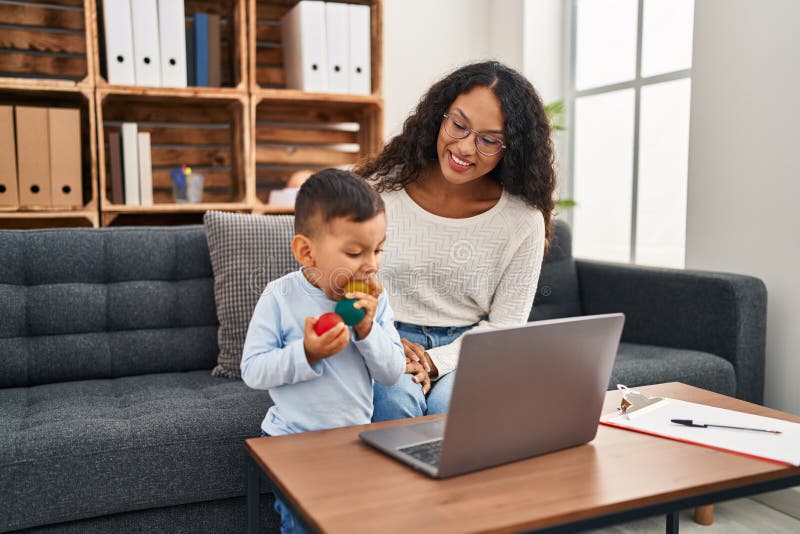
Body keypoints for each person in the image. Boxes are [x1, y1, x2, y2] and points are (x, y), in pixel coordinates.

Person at [354, 61, 556, 421]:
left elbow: (504, 326)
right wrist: (377, 336)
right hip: (382, 335)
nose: (465, 148)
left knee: (451, 410)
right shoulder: (378, 191)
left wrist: (434, 360)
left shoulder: (523, 220)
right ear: (440, 117)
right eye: (458, 125)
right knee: (396, 401)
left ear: (512, 148)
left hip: (470, 348)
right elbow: (342, 278)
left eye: (489, 140)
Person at [240, 168, 405, 533]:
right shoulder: (280, 297)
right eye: (354, 252)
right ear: (306, 251)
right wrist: (307, 354)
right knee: (303, 525)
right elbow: (252, 370)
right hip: (291, 440)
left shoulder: (374, 301)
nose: (372, 264)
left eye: (378, 250)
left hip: (354, 438)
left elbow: (392, 372)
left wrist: (366, 331)